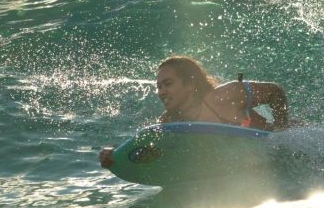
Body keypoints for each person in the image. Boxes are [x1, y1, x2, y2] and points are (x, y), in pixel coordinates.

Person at [99, 56, 291, 169]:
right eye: (158, 87)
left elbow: (275, 92)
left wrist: (282, 128)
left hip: (286, 148)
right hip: (248, 165)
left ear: (190, 84)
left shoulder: (223, 97)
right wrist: (116, 156)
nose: (161, 92)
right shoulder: (169, 123)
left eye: (168, 84)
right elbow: (153, 154)